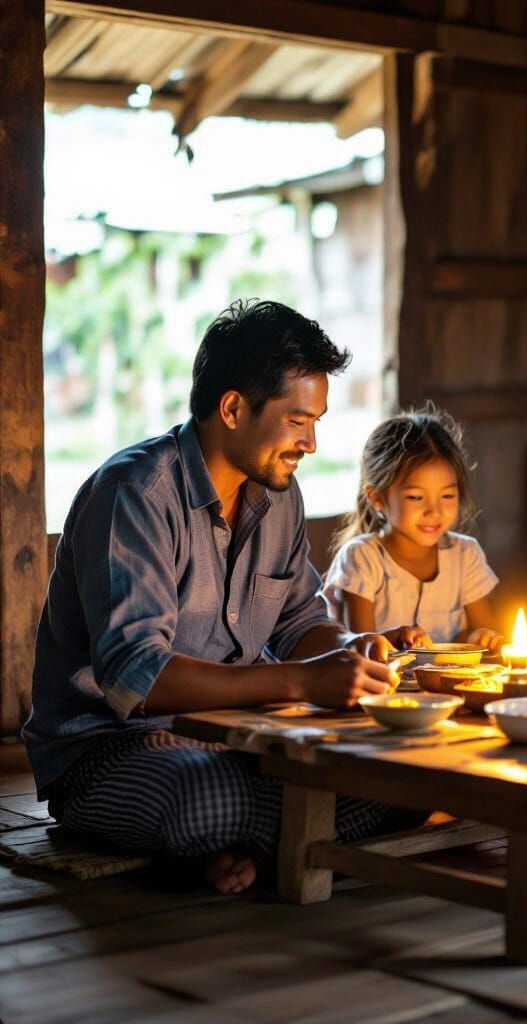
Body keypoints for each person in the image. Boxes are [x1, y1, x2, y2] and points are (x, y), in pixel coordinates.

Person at [23, 299, 416, 894]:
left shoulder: (278, 495)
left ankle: (236, 850)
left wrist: (351, 651)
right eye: (297, 420)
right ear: (233, 407)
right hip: (107, 753)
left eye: (317, 422)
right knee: (207, 795)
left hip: (237, 735)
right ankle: (272, 838)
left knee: (404, 765)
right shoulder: (136, 494)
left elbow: (301, 622)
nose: (309, 442)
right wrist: (303, 682)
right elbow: (138, 677)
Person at [320, 406, 502, 651]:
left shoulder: (465, 554)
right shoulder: (362, 558)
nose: (434, 512)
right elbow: (361, 649)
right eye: (416, 497)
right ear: (377, 498)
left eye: (447, 495)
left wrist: (478, 638)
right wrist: (397, 639)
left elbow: (484, 636)